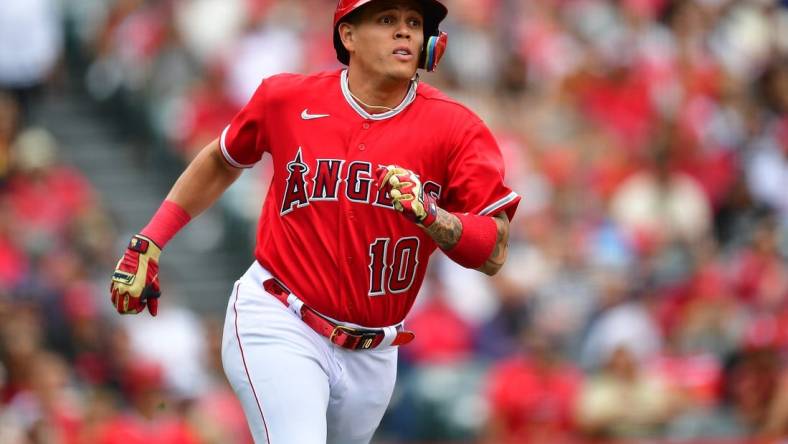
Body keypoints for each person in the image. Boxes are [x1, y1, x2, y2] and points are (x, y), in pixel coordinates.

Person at [109, 0, 520, 442]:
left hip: (374, 352)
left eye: (414, 23)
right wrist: (151, 239)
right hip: (279, 316)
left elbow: (494, 251)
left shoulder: (456, 128)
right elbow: (222, 160)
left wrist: (434, 218)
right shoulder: (287, 98)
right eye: (386, 20)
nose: (405, 33)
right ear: (348, 36)